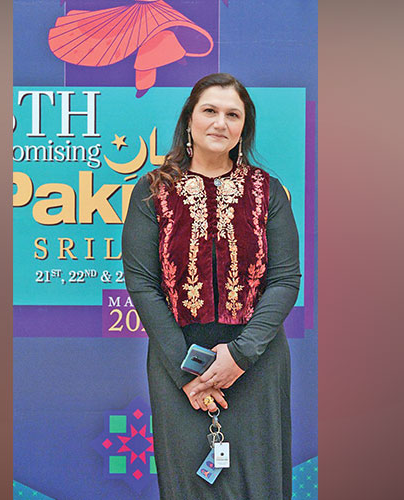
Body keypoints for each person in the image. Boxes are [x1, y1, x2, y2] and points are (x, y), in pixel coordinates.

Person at [121, 73, 302, 498]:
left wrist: (240, 356)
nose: (221, 123)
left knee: (258, 484)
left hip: (256, 362)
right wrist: (187, 372)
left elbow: (285, 279)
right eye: (210, 111)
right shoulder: (153, 191)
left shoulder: (268, 192)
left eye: (233, 115)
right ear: (189, 120)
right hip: (179, 364)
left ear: (243, 127)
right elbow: (142, 283)